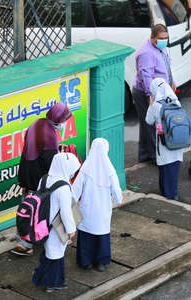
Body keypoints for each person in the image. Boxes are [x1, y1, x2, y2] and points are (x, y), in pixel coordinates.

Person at [12, 102, 72, 256]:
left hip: (26, 172)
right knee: (42, 210)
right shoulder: (50, 135)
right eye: (64, 120)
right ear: (58, 119)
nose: (65, 123)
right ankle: (33, 241)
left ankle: (23, 241)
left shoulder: (37, 123)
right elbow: (50, 163)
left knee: (27, 207)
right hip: (38, 178)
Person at [32, 153, 81, 292]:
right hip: (56, 227)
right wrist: (71, 230)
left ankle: (42, 278)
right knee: (56, 255)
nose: (72, 173)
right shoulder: (64, 187)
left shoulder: (44, 179)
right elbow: (66, 212)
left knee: (49, 252)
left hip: (42, 225)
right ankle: (52, 284)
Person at [72, 138, 123, 272]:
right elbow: (116, 188)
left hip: (87, 208)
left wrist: (70, 202)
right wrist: (119, 200)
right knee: (102, 234)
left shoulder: (86, 168)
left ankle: (85, 261)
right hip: (103, 208)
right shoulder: (109, 169)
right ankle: (101, 261)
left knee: (86, 234)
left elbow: (75, 189)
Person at [133, 23, 176, 164]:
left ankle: (145, 154)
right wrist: (150, 95)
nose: (164, 40)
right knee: (151, 124)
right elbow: (146, 76)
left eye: (166, 37)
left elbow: (166, 65)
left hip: (159, 91)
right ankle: (153, 156)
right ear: (152, 38)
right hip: (147, 92)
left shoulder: (160, 48)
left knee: (148, 125)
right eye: (161, 38)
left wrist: (172, 81)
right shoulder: (146, 53)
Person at [145, 78, 184, 200]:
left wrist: (150, 105)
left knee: (165, 170)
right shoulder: (176, 101)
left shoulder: (157, 105)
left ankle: (168, 196)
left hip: (164, 144)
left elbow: (148, 120)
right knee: (173, 171)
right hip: (177, 142)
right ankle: (172, 193)